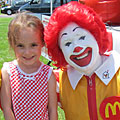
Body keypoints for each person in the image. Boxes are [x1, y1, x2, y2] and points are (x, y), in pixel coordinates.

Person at [44, 1, 120, 120]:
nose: (77, 47)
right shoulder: (60, 81)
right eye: (67, 43)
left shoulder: (118, 71)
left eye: (82, 37)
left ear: (95, 34)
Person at [1, 12, 58, 120]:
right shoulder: (7, 71)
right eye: (20, 46)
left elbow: (52, 109)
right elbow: (7, 108)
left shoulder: (48, 74)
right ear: (12, 45)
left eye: (33, 45)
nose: (27, 52)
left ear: (42, 43)